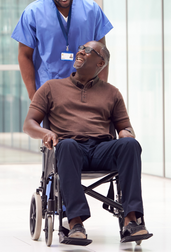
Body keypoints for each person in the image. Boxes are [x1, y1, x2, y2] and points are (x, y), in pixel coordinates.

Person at [23, 41, 152, 245]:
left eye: (88, 50)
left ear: (100, 63)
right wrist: (45, 133)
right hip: (71, 150)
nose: (80, 51)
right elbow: (29, 124)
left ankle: (131, 221)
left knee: (131, 145)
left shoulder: (112, 93)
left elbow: (125, 127)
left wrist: (127, 134)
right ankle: (74, 223)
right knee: (66, 145)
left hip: (102, 149)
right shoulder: (51, 88)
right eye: (81, 48)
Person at [12, 0, 113, 101]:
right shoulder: (33, 13)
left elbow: (102, 54)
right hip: (49, 94)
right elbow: (24, 56)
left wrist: (101, 91)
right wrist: (33, 96)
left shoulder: (91, 9)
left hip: (86, 93)